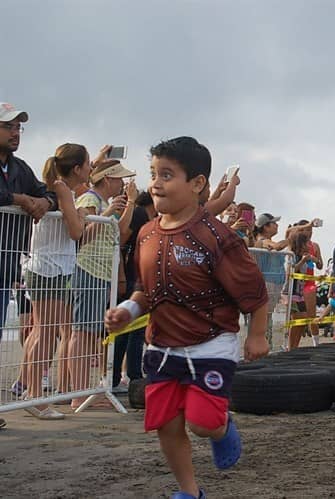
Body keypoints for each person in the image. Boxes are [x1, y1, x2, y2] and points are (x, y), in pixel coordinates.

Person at [104, 136, 269, 499]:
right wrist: (126, 311)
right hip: (161, 348)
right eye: (153, 173)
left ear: (197, 184)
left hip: (211, 344)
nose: (156, 183)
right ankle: (189, 492)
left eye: (167, 174)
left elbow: (256, 293)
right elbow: (146, 291)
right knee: (166, 423)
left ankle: (222, 428)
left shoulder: (218, 237)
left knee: (201, 423)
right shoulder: (146, 234)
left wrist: (257, 335)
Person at [19, 144, 90, 420]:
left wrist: (79, 216)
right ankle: (35, 394)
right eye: (87, 164)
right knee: (45, 332)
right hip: (47, 268)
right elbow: (76, 231)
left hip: (53, 268)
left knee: (44, 330)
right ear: (77, 168)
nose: (90, 169)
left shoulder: (63, 188)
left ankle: (31, 390)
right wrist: (81, 216)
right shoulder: (61, 188)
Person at [69, 155, 136, 409]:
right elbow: (81, 235)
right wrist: (107, 212)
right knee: (82, 333)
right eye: (120, 178)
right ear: (109, 179)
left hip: (100, 273)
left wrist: (127, 204)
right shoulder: (90, 199)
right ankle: (78, 393)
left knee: (91, 334)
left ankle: (84, 391)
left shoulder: (103, 201)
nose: (122, 183)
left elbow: (120, 232)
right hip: (88, 269)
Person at [0, 102, 58, 333]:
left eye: (18, 127)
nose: (15, 133)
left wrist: (46, 202)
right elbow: (22, 197)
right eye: (8, 126)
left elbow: (47, 191)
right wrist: (19, 199)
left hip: (6, 266)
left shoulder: (19, 167)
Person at [111, 190, 156, 393]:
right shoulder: (139, 214)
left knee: (126, 331)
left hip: (133, 277)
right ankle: (134, 376)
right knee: (134, 331)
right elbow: (120, 242)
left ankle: (120, 377)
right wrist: (121, 275)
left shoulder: (145, 216)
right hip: (130, 278)